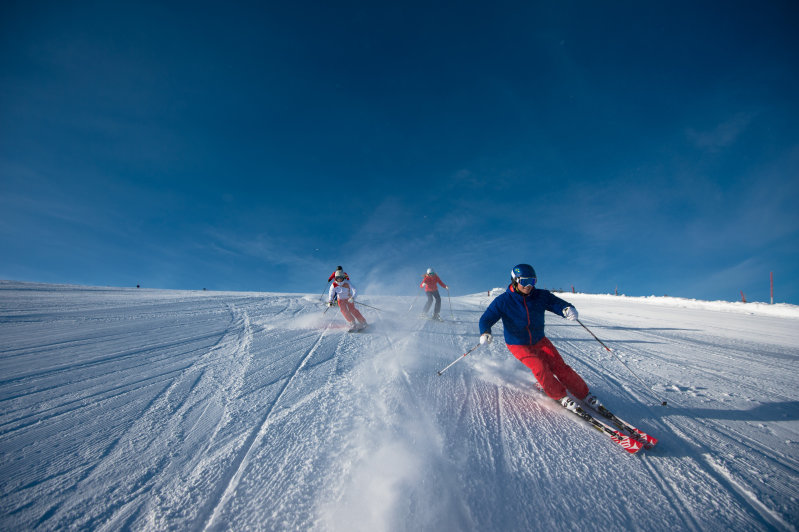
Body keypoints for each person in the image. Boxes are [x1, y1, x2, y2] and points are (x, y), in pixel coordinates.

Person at [478, 263, 601, 413]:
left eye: (533, 281)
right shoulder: (503, 301)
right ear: (515, 281)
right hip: (518, 343)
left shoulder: (540, 296)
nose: (529, 285)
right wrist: (485, 332)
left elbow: (556, 303)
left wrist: (566, 309)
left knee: (560, 367)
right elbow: (486, 318)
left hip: (539, 340)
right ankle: (559, 396)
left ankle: (584, 394)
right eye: (525, 281)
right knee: (540, 367)